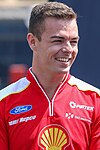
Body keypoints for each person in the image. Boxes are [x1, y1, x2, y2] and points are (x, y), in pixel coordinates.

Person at [0, 2, 100, 150]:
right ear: (33, 42)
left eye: (73, 42)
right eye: (58, 41)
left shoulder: (95, 101)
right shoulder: (4, 103)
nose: (68, 49)